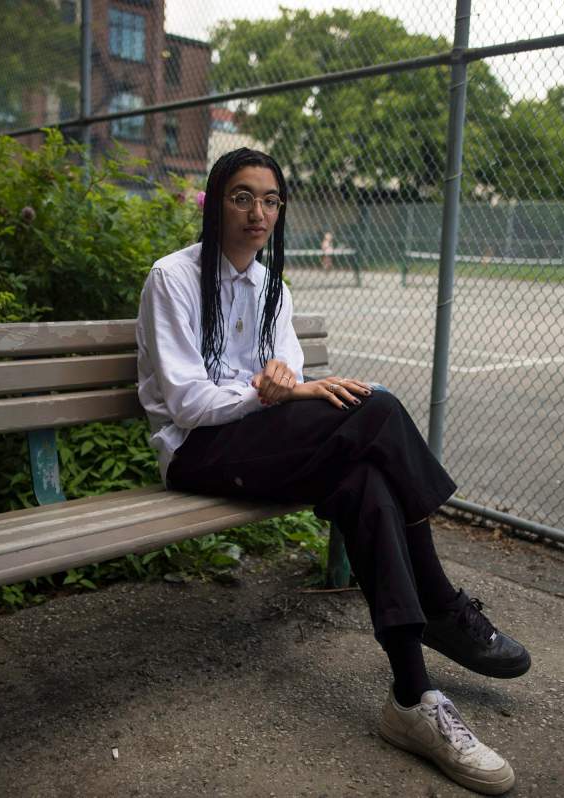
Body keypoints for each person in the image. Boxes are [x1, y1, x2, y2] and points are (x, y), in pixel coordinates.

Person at [136, 148, 530, 795]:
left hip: (260, 443)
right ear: (215, 202)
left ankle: (413, 699)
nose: (257, 212)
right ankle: (437, 598)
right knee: (376, 407)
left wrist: (285, 386)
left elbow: (289, 374)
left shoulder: (272, 288)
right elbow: (184, 401)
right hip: (199, 454)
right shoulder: (173, 279)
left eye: (269, 200)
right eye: (241, 196)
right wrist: (272, 395)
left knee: (365, 482)